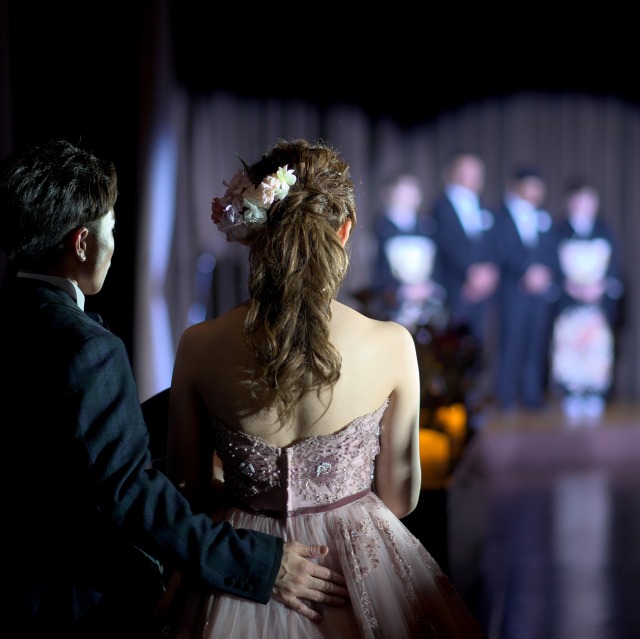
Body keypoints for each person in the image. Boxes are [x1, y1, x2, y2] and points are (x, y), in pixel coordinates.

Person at [0, 139, 349, 639]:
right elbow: (128, 495)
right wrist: (260, 564)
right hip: (65, 604)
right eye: (112, 229)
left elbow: (57, 443)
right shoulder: (87, 346)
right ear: (82, 244)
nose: (114, 245)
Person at [165, 138, 489, 637]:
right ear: (344, 229)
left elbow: (185, 488)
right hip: (358, 570)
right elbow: (399, 499)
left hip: (243, 566)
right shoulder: (392, 344)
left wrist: (248, 490)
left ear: (251, 232)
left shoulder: (199, 344)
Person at [549, 174, 625, 422]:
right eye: (578, 200)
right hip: (570, 303)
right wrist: (568, 286)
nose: (583, 205)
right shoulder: (559, 231)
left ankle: (594, 392)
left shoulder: (605, 230)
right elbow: (550, 265)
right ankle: (571, 392)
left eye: (588, 200)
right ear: (569, 202)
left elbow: (615, 265)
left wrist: (601, 286)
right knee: (569, 349)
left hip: (596, 302)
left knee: (596, 349)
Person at [429, 151, 500, 412]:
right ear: (452, 173)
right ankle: (451, 401)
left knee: (476, 345)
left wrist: (489, 272)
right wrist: (469, 273)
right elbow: (447, 245)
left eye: (476, 174)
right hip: (455, 287)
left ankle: (471, 400)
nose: (472, 179)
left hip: (481, 290)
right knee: (452, 346)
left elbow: (493, 242)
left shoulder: (484, 206)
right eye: (466, 172)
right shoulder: (441, 206)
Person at [492, 165, 559, 411]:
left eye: (538, 187)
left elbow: (551, 251)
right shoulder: (500, 217)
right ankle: (506, 394)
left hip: (540, 292)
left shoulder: (543, 217)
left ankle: (532, 394)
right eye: (530, 186)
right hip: (514, 290)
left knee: (536, 343)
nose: (535, 192)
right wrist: (525, 272)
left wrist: (545, 272)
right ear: (516, 186)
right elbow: (500, 251)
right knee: (512, 341)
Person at [369, 170, 444, 330]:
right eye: (404, 190)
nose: (409, 195)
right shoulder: (381, 228)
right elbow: (377, 266)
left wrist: (429, 286)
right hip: (394, 303)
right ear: (389, 193)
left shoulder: (427, 227)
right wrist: (399, 290)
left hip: (425, 299)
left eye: (413, 190)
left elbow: (437, 261)